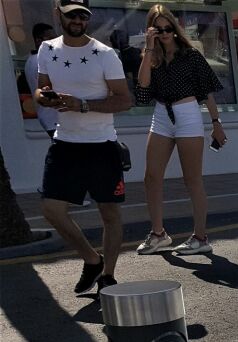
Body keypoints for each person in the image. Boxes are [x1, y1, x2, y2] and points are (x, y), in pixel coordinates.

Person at [34, 0, 133, 294]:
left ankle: (109, 275)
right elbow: (41, 87)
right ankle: (92, 259)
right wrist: (44, 97)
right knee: (52, 210)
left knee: (109, 213)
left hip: (102, 145)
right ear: (58, 15)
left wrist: (83, 105)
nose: (78, 20)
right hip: (65, 144)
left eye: (83, 15)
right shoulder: (47, 49)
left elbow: (124, 100)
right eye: (71, 15)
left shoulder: (104, 54)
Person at [132, 3, 225, 256]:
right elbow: (142, 90)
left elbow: (206, 92)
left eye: (167, 28)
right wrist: (149, 49)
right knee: (151, 177)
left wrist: (216, 124)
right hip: (162, 114)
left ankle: (200, 237)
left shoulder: (190, 55)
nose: (164, 33)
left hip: (187, 115)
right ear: (151, 30)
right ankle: (159, 234)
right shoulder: (152, 57)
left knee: (192, 180)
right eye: (158, 29)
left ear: (174, 28)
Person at [25, 23, 59, 137]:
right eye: (51, 39)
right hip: (54, 119)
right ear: (38, 40)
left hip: (48, 117)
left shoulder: (32, 59)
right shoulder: (40, 60)